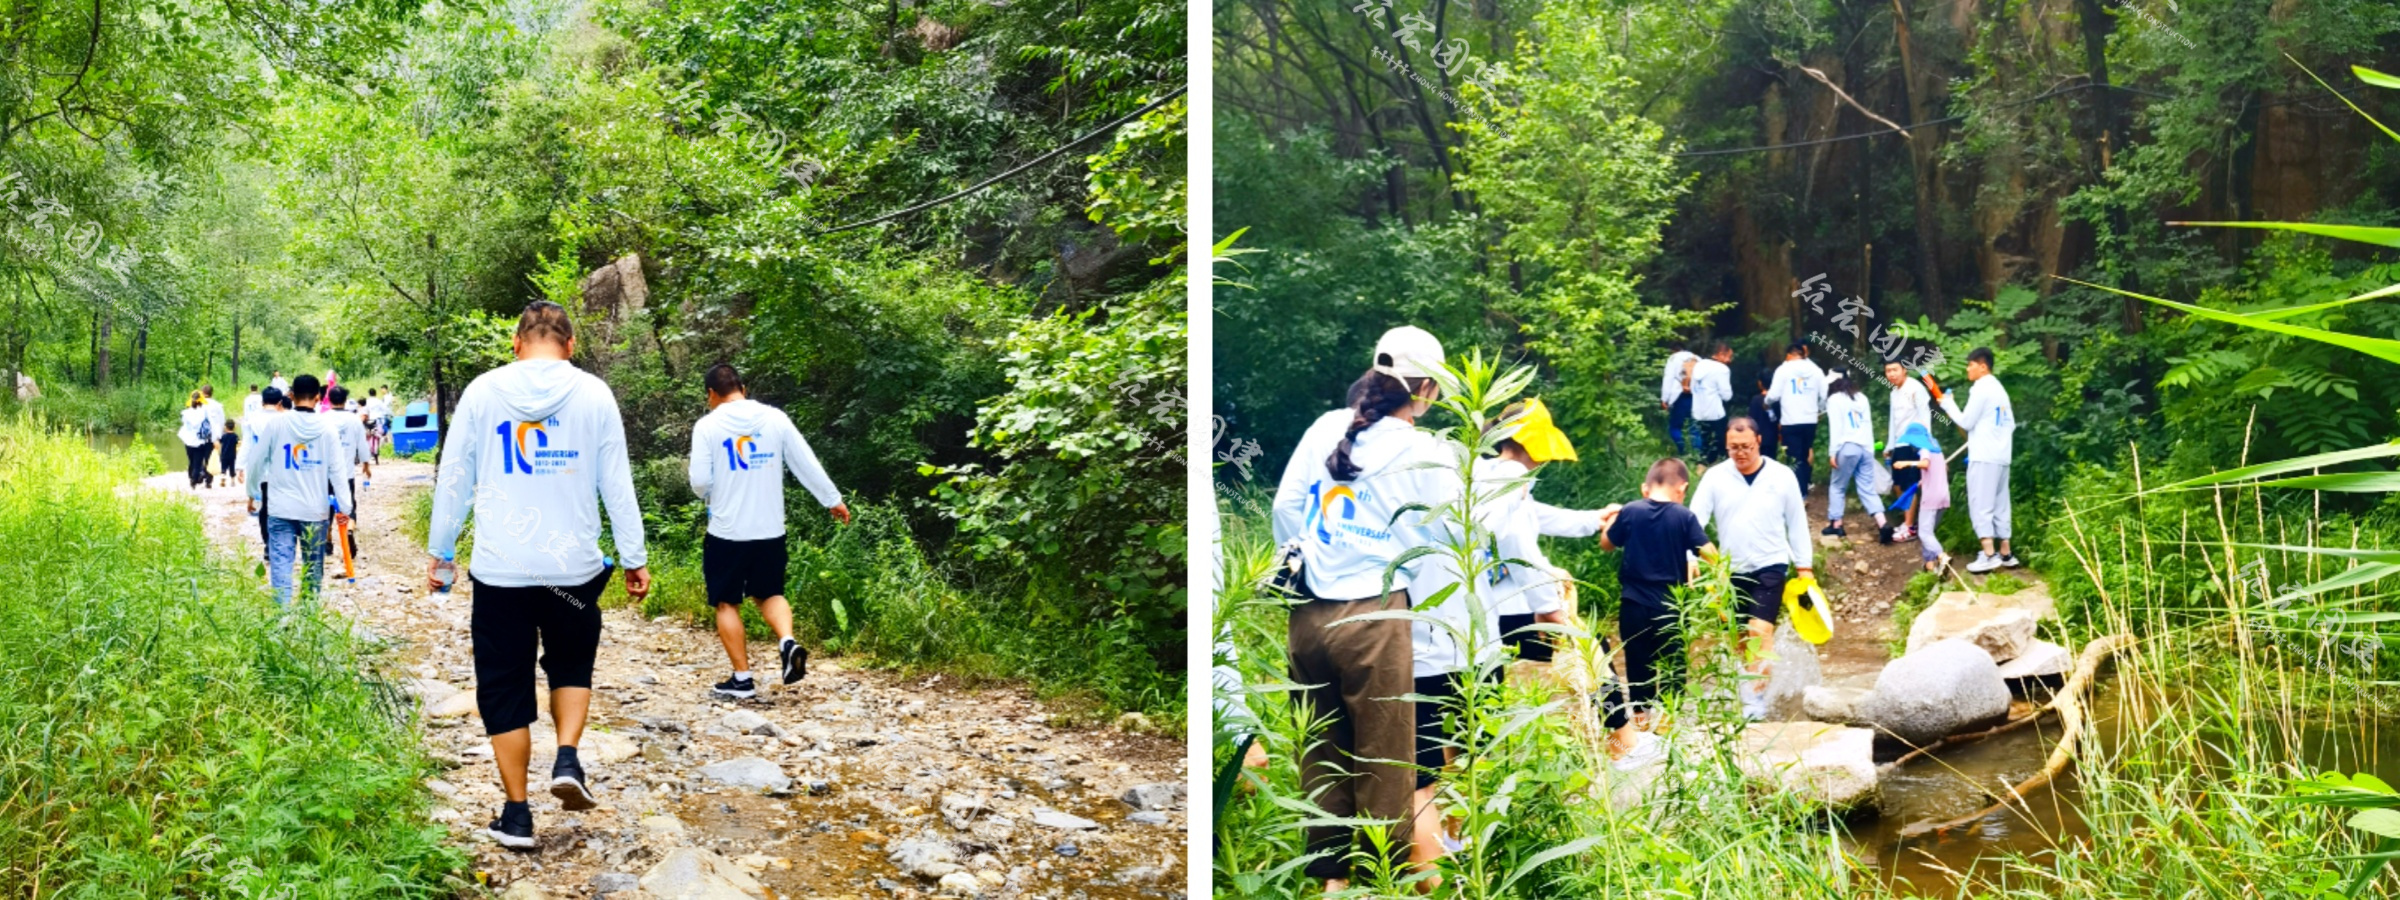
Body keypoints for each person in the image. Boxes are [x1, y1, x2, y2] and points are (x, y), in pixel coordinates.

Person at [426, 301, 651, 851]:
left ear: (516, 342)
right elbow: (616, 481)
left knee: (503, 686)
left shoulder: (482, 392)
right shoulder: (594, 393)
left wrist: (442, 551)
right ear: (571, 345)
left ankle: (518, 815)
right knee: (572, 663)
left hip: (502, 572)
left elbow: (454, 476)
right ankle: (569, 756)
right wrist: (633, 556)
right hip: (572, 570)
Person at [1268, 325, 1456, 891]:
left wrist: (1311, 561)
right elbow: (1447, 537)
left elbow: (1284, 506)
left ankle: (1331, 883)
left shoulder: (1328, 425)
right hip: (1375, 616)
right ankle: (1383, 883)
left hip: (1307, 615)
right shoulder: (1426, 450)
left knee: (1322, 753)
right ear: (1424, 390)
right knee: (1385, 760)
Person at [688, 363, 850, 699]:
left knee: (726, 602)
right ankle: (787, 641)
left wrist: (711, 495)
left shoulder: (708, 426)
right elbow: (804, 460)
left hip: (727, 532)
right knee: (769, 593)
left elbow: (700, 481)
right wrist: (831, 499)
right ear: (743, 388)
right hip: (770, 530)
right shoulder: (775, 418)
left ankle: (742, 680)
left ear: (711, 395)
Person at [1688, 417, 1814, 720]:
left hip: (1770, 564)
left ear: (1758, 441)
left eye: (1745, 446)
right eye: (1733, 448)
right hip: (1728, 570)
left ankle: (1754, 703)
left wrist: (1804, 567)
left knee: (1760, 630)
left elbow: (1797, 522)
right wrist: (1690, 557)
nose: (1740, 453)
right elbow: (1692, 521)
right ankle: (1751, 688)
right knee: (1739, 639)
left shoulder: (1782, 476)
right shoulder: (1716, 477)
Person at [1596, 458, 1718, 767]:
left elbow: (1606, 544)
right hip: (1671, 606)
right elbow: (1712, 554)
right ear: (1683, 487)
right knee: (1675, 669)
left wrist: (1612, 520)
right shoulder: (1684, 516)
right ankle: (1667, 737)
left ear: (1645, 487)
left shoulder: (1631, 511)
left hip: (1634, 604)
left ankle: (1639, 738)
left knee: (1638, 669)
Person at [242, 375, 352, 607]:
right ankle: (308, 618)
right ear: (318, 397)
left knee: (281, 564)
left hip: (280, 509)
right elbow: (338, 472)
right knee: (313, 567)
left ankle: (281, 618)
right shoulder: (328, 430)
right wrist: (346, 506)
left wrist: (253, 491)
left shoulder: (276, 425)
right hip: (315, 512)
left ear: (290, 395)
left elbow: (255, 461)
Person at [1927, 347, 2018, 573]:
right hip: (2001, 456)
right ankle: (2005, 552)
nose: (1967, 369)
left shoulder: (1981, 388)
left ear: (1983, 366)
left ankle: (1989, 554)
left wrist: (1947, 403)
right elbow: (2010, 424)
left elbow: (1966, 422)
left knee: (1980, 504)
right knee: (2000, 504)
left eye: (1970, 365)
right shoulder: (2000, 389)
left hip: (1984, 456)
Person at [1822, 373, 1887, 539]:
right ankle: (1883, 523)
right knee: (1867, 488)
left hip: (1847, 447)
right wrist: (1871, 450)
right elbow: (1868, 424)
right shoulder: (1862, 397)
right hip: (1865, 448)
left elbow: (1836, 428)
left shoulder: (1834, 400)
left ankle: (1836, 524)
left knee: (1838, 486)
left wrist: (1832, 453)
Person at [1767, 342, 1827, 492]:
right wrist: (1819, 410)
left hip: (1790, 421)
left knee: (1794, 458)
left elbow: (1773, 395)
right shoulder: (1816, 370)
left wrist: (1766, 402)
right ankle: (1804, 487)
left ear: (1789, 355)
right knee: (1806, 454)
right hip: (1810, 421)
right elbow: (1824, 395)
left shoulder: (1783, 369)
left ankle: (1798, 494)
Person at [1889, 423, 1951, 571]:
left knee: (1923, 533)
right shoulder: (1938, 452)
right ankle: (1930, 566)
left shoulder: (1925, 450)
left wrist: (1906, 463)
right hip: (1943, 496)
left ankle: (1942, 557)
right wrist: (1923, 481)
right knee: (1928, 533)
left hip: (1931, 498)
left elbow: (1925, 464)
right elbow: (1940, 470)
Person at [1882, 361, 1932, 541]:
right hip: (1899, 445)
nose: (1891, 374)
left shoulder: (1916, 388)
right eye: (1888, 371)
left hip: (1914, 444)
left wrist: (1926, 444)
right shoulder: (1894, 393)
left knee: (1909, 486)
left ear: (1904, 370)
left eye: (1895, 370)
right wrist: (1890, 445)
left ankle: (1910, 527)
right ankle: (1906, 521)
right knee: (1897, 485)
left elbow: (1925, 416)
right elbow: (1893, 422)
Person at [325, 386, 373, 560]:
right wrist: (366, 465)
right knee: (349, 505)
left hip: (326, 473)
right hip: (346, 473)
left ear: (328, 399)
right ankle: (350, 530)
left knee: (326, 507)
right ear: (345, 400)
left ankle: (328, 538)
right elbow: (362, 445)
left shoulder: (322, 419)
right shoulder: (354, 420)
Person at [1689, 342, 1735, 461]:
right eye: (1729, 356)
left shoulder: (1698, 365)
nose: (1730, 360)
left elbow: (1692, 387)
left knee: (1705, 443)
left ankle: (1703, 465)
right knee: (1721, 443)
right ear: (1720, 354)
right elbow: (1727, 395)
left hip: (1699, 411)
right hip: (1716, 412)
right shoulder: (1721, 369)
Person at [1661, 346, 1699, 455]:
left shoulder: (1674, 358)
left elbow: (1668, 378)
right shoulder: (1697, 358)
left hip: (1679, 395)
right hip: (1695, 396)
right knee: (1694, 427)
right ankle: (1697, 453)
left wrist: (1665, 399)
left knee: (1675, 426)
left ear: (1674, 350)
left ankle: (1683, 450)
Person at [177, 391, 214, 490]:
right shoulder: (203, 412)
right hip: (199, 440)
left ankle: (193, 480)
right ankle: (194, 480)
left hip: (188, 440)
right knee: (198, 462)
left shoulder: (186, 413)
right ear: (201, 401)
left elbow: (185, 425)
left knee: (192, 460)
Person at [1747, 373, 1780, 462]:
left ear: (1760, 383)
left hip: (1758, 437)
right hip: (1773, 437)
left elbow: (1751, 419)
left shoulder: (1755, 400)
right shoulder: (1777, 400)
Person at [218, 416, 241, 488]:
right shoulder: (235, 436)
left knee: (223, 467)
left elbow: (219, 442)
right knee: (232, 468)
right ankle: (232, 481)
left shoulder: (223, 436)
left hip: (223, 455)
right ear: (234, 427)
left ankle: (223, 477)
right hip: (232, 455)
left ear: (225, 427)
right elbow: (239, 443)